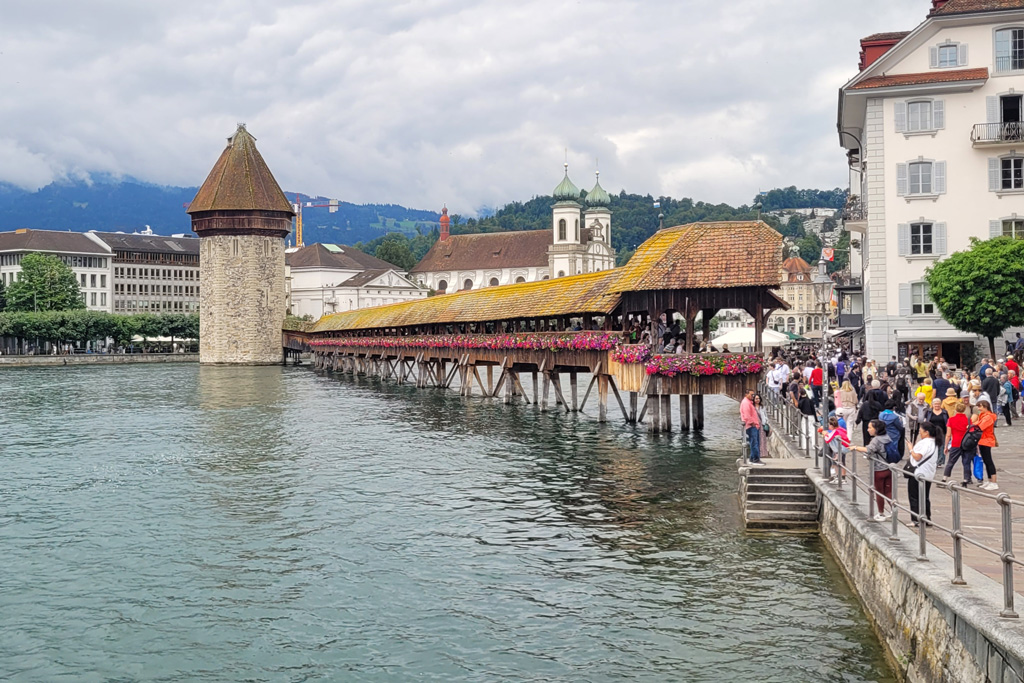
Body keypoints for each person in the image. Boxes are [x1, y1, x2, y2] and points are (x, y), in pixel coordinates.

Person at [852, 419, 892, 521]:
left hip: (878, 469)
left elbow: (868, 450)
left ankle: (881, 513)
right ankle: (894, 510)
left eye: (870, 428)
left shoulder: (876, 440)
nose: (868, 429)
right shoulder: (887, 437)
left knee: (878, 491)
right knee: (888, 491)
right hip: (888, 467)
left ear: (876, 429)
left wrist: (855, 447)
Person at [906, 422, 939, 526]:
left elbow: (917, 457)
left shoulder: (925, 443)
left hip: (918, 473)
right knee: (925, 496)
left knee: (914, 496)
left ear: (926, 432)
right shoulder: (934, 442)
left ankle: (916, 519)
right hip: (928, 474)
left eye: (921, 431)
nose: (920, 433)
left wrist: (911, 448)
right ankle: (926, 517)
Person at [942, 401, 972, 486]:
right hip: (966, 443)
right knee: (966, 462)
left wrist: (946, 446)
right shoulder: (968, 420)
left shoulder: (951, 420)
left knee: (951, 461)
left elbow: (948, 435)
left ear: (955, 409)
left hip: (956, 443)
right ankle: (966, 480)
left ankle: (944, 478)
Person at [973, 399, 999, 490]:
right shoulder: (983, 415)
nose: (979, 409)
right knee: (985, 460)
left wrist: (972, 426)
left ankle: (994, 482)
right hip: (982, 440)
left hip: (986, 440)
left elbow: (981, 426)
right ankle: (989, 480)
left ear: (985, 406)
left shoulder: (988, 417)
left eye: (980, 406)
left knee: (988, 461)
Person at [740, 389, 764, 466]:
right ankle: (756, 459)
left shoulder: (748, 402)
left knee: (754, 442)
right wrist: (752, 423)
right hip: (751, 426)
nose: (752, 396)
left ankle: (752, 458)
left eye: (753, 395)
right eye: (751, 395)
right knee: (754, 442)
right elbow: (747, 415)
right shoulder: (746, 403)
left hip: (753, 425)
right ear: (746, 394)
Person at [927, 398, 949, 466]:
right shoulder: (929, 412)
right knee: (932, 447)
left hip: (942, 432)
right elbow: (926, 421)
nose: (937, 405)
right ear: (932, 404)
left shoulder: (944, 412)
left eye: (938, 404)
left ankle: (939, 461)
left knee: (941, 447)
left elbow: (948, 422)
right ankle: (931, 460)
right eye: (935, 404)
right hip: (932, 432)